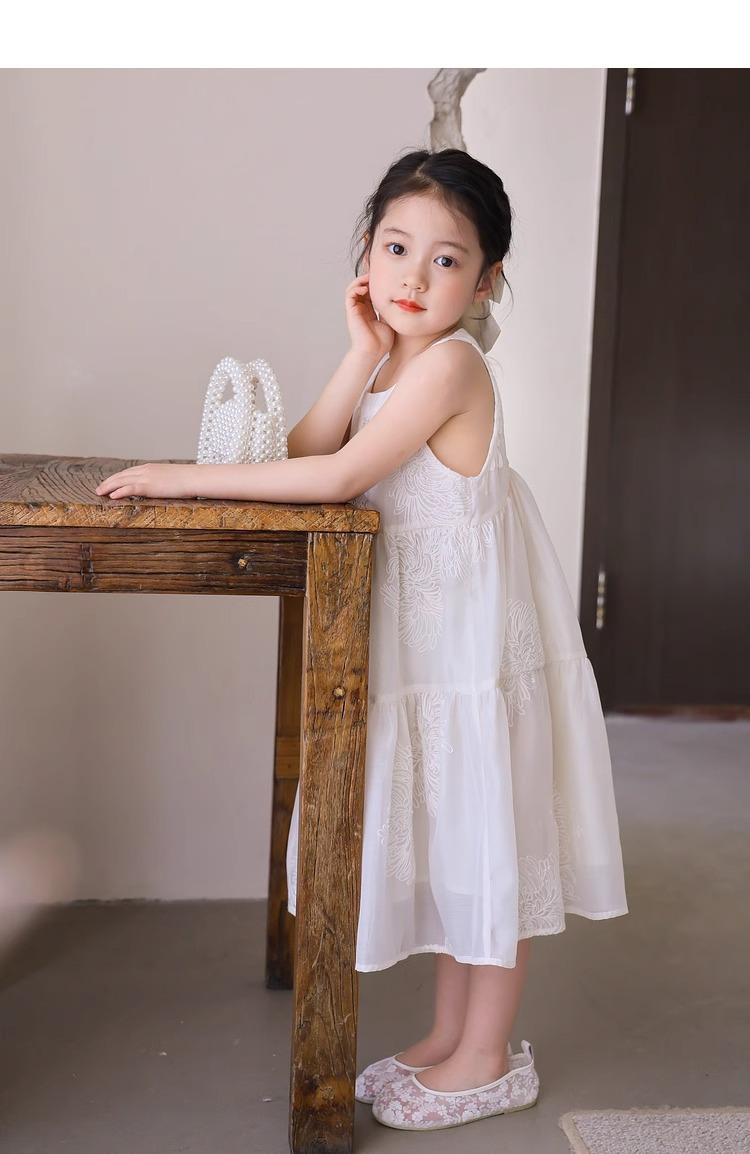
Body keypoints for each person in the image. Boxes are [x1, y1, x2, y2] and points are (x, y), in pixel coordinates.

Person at [97, 147, 628, 1132]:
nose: (413, 276)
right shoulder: (394, 362)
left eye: (446, 260)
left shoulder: (455, 365)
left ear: (487, 280)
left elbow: (335, 480)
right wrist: (357, 352)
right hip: (427, 646)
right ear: (367, 254)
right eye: (394, 248)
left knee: (485, 840)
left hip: (467, 652)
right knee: (457, 838)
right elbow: (308, 447)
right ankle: (449, 1034)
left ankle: (490, 1056)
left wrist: (181, 475)